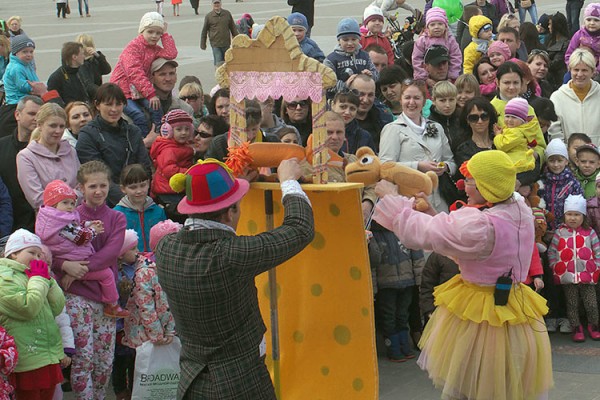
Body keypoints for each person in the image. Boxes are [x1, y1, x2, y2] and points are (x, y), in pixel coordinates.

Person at [372, 149, 553, 400]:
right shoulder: (518, 207)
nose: (463, 186)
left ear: (485, 187)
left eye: (469, 181)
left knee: (471, 383)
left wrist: (393, 200)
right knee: (510, 383)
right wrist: (429, 214)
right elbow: (456, 238)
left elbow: (427, 234)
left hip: (480, 314)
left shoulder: (481, 225)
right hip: (513, 306)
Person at [155, 158, 314, 398]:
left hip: (191, 380)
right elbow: (300, 228)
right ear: (230, 213)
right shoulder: (231, 255)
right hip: (240, 381)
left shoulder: (166, 247)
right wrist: (289, 181)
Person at [52, 160, 127, 399]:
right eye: (92, 186)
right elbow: (51, 251)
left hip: (105, 299)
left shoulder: (117, 218)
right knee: (83, 359)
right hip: (77, 297)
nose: (98, 191)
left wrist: (76, 272)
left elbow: (111, 253)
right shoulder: (66, 216)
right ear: (81, 188)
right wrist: (65, 266)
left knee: (104, 361)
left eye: (103, 185)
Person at [35, 180, 129, 318]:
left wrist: (88, 224)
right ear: (53, 204)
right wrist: (93, 230)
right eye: (65, 203)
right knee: (106, 275)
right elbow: (81, 237)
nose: (70, 207)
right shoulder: (63, 224)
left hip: (70, 261)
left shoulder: (50, 220)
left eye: (72, 203)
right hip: (77, 261)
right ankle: (113, 305)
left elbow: (76, 228)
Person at [0, 229, 66, 400]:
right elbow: (27, 309)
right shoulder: (4, 277)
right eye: (31, 252)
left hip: (47, 355)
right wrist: (38, 279)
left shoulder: (36, 276)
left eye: (39, 254)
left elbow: (57, 308)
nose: (37, 258)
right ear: (13, 254)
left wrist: (49, 281)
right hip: (27, 358)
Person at [378, 79, 456, 213]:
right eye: (407, 98)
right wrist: (418, 165)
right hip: (409, 202)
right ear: (401, 100)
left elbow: (452, 162)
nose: (412, 102)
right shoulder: (392, 129)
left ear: (424, 101)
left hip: (439, 202)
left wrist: (445, 167)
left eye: (417, 98)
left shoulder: (436, 127)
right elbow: (385, 167)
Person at [76, 83, 153, 207]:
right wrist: (127, 201)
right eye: (108, 104)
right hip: (107, 203)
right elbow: (97, 176)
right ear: (97, 105)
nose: (114, 109)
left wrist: (141, 195)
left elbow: (145, 168)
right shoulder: (87, 135)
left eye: (118, 104)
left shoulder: (133, 131)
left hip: (138, 198)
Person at [110, 12, 177, 137]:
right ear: (142, 31)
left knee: (156, 108)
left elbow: (171, 53)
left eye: (158, 33)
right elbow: (135, 73)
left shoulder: (154, 49)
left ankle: (160, 133)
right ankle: (144, 141)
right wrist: (151, 94)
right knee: (138, 115)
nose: (154, 36)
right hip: (121, 92)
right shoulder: (133, 48)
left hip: (138, 91)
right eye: (150, 32)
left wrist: (165, 35)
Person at [548, 194, 600, 342]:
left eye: (577, 214)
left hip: (587, 275)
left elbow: (597, 251)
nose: (573, 218)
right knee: (572, 304)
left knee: (591, 303)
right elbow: (552, 251)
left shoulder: (589, 232)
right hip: (567, 276)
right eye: (569, 214)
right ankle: (576, 327)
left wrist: (596, 268)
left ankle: (593, 325)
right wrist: (555, 267)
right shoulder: (560, 232)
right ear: (564, 216)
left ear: (583, 216)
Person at [123, 220, 179, 349]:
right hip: (143, 337)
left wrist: (170, 329)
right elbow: (145, 306)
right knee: (142, 367)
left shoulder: (172, 268)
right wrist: (157, 334)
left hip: (167, 333)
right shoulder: (145, 272)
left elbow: (172, 302)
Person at [16, 103, 80, 211]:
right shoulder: (26, 156)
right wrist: (70, 200)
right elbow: (36, 199)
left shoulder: (71, 151)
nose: (58, 131)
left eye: (61, 126)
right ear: (39, 125)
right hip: (51, 222)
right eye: (53, 126)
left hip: (78, 216)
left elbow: (82, 186)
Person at [491, 61, 546, 184]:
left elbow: (540, 144)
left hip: (526, 168)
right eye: (506, 82)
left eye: (516, 83)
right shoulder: (490, 109)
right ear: (497, 83)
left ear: (522, 84)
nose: (511, 87)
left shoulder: (528, 109)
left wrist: (535, 155)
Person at [0, 96, 41, 233]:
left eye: (40, 115)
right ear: (17, 115)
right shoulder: (2, 146)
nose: (36, 118)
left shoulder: (48, 149)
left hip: (40, 223)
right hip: (9, 225)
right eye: (31, 114)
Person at [150, 109, 196, 219]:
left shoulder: (182, 146)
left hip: (176, 189)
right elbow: (169, 170)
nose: (184, 132)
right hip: (168, 192)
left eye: (187, 129)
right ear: (168, 131)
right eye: (179, 129)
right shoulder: (168, 149)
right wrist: (190, 173)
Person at [549, 48, 600, 145]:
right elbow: (555, 132)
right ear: (570, 70)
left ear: (593, 71)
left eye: (584, 70)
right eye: (576, 70)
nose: (580, 74)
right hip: (568, 157)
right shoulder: (557, 97)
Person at [111, 229, 138, 400]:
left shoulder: (138, 267)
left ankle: (136, 390)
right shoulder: (114, 274)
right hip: (120, 327)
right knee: (120, 362)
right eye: (133, 249)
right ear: (120, 254)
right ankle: (120, 391)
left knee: (135, 360)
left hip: (135, 325)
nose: (137, 252)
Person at [114, 164, 166, 252]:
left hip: (155, 260)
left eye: (142, 185)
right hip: (129, 262)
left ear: (149, 184)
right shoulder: (117, 213)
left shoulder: (158, 211)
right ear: (123, 188)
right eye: (133, 187)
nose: (139, 191)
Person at [324, 18, 379, 90]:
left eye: (354, 39)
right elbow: (327, 83)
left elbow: (377, 76)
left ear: (359, 39)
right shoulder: (331, 60)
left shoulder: (365, 56)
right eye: (345, 40)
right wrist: (345, 85)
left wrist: (370, 76)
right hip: (340, 99)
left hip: (362, 96)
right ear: (338, 40)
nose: (350, 43)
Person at [412, 8, 461, 84]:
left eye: (440, 24)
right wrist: (424, 78)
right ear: (427, 27)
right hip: (428, 78)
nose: (436, 27)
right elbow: (417, 60)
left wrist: (452, 76)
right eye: (432, 24)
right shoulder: (422, 41)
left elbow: (456, 57)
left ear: (445, 26)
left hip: (446, 76)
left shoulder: (450, 40)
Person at [348, 74, 393, 149]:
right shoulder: (341, 122)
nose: (365, 100)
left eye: (370, 95)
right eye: (361, 94)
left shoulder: (384, 119)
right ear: (351, 93)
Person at [493, 97, 536, 172]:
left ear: (522, 120)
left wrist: (498, 135)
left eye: (514, 117)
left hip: (516, 163)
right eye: (507, 116)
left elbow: (502, 146)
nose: (509, 120)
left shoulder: (516, 132)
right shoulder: (515, 129)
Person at [453, 96, 498, 168]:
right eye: (473, 118)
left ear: (490, 118)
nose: (480, 121)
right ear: (467, 120)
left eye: (484, 116)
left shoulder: (501, 142)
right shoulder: (464, 150)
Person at [2, 35, 46, 105]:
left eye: (31, 52)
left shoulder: (26, 64)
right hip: (16, 101)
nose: (29, 55)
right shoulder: (16, 68)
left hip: (27, 98)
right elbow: (21, 85)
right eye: (25, 52)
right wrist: (34, 88)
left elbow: (34, 78)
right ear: (16, 53)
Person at [330, 89, 376, 154]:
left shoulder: (364, 137)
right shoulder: (318, 130)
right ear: (332, 105)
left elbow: (372, 162)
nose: (347, 112)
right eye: (343, 107)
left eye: (352, 109)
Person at [566, 3, 600, 77]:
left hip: (596, 69)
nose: (592, 23)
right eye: (588, 19)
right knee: (567, 78)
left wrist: (597, 70)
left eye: (596, 20)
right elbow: (570, 52)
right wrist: (570, 64)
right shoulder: (579, 34)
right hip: (578, 66)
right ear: (584, 21)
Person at [200, 0, 238, 67]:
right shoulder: (209, 16)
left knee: (227, 62)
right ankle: (219, 76)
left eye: (218, 3)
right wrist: (203, 44)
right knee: (219, 62)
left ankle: (226, 77)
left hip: (226, 43)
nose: (217, 5)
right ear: (212, 4)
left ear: (221, 3)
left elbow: (233, 28)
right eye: (215, 3)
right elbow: (204, 31)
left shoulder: (227, 14)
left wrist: (237, 39)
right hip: (215, 44)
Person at [75, 34, 112, 100]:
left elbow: (107, 70)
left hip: (96, 92)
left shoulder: (95, 60)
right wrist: (103, 93)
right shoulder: (81, 64)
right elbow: (88, 85)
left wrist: (98, 56)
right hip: (87, 97)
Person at [428, 81, 461, 151]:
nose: (448, 105)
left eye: (451, 100)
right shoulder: (428, 124)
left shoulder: (463, 120)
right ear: (433, 100)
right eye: (442, 100)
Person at [546, 12, 571, 91]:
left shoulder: (566, 43)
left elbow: (556, 63)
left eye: (550, 24)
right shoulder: (549, 40)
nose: (548, 27)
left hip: (558, 79)